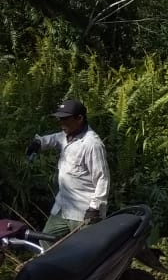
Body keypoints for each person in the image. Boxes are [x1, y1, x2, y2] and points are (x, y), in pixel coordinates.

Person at [26, 98, 110, 238]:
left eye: (65, 119)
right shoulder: (67, 135)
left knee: (85, 252)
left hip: (84, 210)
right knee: (46, 238)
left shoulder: (92, 144)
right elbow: (55, 138)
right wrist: (39, 142)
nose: (61, 123)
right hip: (63, 206)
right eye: (60, 119)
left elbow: (102, 178)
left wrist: (95, 207)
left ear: (79, 118)